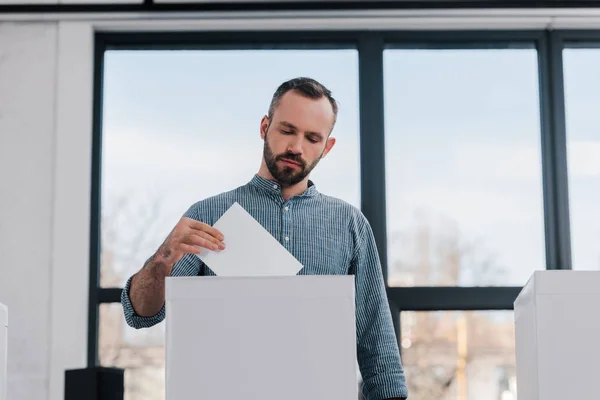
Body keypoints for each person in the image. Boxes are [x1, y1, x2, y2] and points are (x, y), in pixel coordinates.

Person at [121, 77, 408, 400]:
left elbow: (378, 349)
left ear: (327, 147)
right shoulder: (207, 215)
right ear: (264, 127)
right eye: (287, 131)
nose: (297, 147)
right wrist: (162, 259)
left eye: (312, 138)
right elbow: (140, 315)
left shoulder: (350, 225)